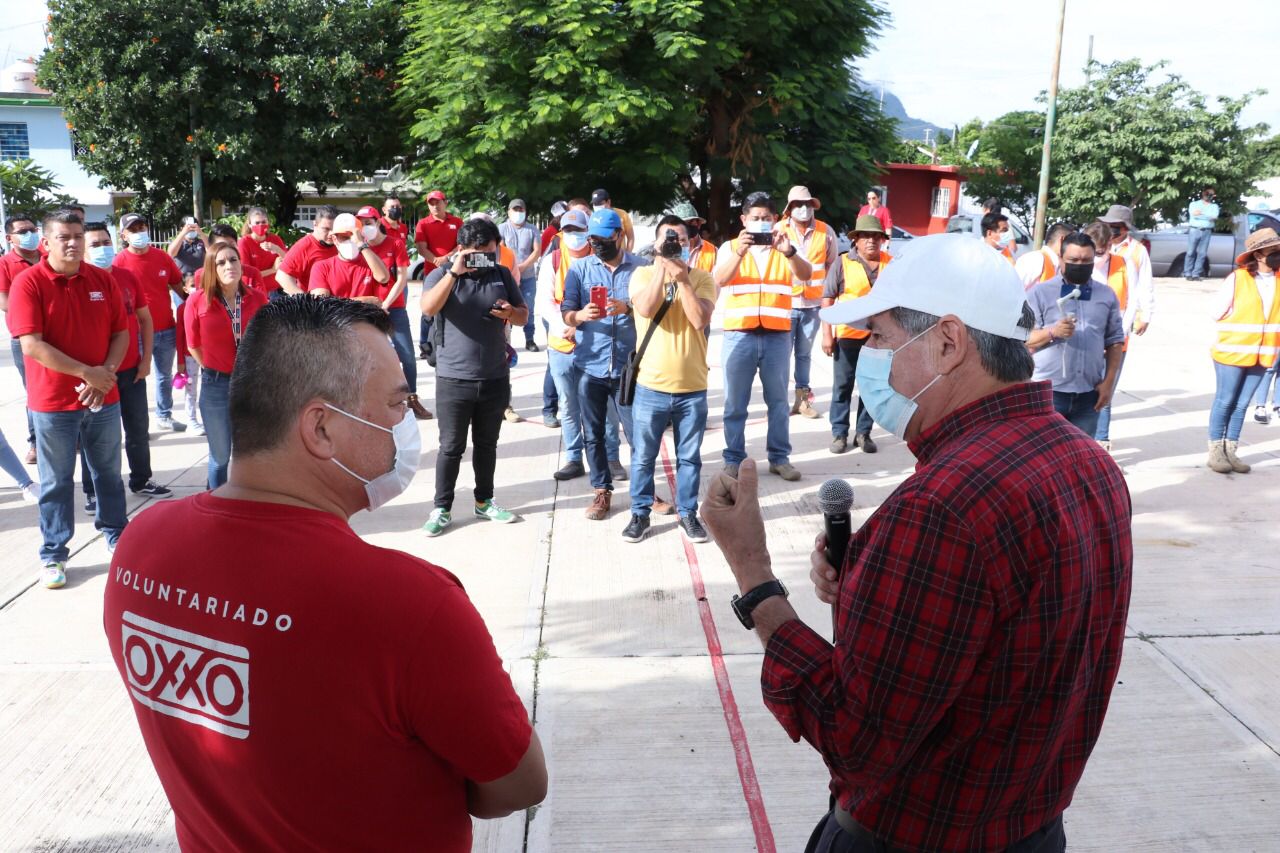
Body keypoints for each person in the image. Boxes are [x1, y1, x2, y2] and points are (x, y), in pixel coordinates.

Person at [701, 232, 1132, 853]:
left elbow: (855, 739)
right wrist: (871, 585)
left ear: (949, 342)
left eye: (880, 337)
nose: (871, 357)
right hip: (1032, 827)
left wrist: (754, 575)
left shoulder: (944, 504)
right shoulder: (1089, 463)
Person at [103, 296, 546, 850]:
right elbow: (517, 783)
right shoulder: (410, 604)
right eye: (395, 403)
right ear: (321, 428)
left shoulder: (140, 547)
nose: (405, 422)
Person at [7, 210, 130, 589]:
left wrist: (105, 374)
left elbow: (121, 334)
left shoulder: (101, 280)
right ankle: (54, 554)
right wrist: (86, 373)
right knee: (57, 480)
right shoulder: (28, 284)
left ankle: (118, 537)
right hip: (54, 405)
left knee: (108, 473)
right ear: (46, 243)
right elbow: (32, 345)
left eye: (78, 235)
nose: (74, 242)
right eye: (64, 237)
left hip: (103, 398)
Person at [419, 218, 527, 536]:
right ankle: (442, 508)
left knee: (487, 444)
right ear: (463, 249)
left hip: (494, 375)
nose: (486, 260)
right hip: (454, 377)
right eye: (478, 254)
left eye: (491, 253)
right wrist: (455, 272)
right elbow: (427, 307)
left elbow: (523, 315)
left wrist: (510, 313)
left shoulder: (502, 274)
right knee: (451, 446)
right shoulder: (442, 274)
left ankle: (484, 502)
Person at [621, 216, 717, 544]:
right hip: (651, 385)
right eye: (667, 240)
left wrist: (684, 281)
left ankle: (688, 514)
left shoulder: (703, 278)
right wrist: (662, 268)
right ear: (656, 244)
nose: (674, 246)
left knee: (689, 457)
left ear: (691, 245)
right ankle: (639, 513)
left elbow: (699, 318)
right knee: (643, 455)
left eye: (680, 240)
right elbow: (646, 309)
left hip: (692, 387)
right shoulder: (643, 274)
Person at [713, 191, 812, 482]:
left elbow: (805, 275)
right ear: (744, 220)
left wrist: (789, 252)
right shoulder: (730, 247)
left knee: (779, 403)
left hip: (776, 337)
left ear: (775, 220)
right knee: (735, 404)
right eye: (754, 218)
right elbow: (719, 279)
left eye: (766, 218)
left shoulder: (786, 247)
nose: (760, 223)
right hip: (738, 336)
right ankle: (733, 458)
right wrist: (739, 252)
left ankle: (779, 458)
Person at [560, 208, 646, 519]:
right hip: (590, 365)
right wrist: (579, 316)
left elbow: (655, 311)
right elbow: (567, 310)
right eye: (592, 239)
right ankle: (601, 491)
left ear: (619, 236)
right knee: (593, 433)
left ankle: (644, 492)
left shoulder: (641, 268)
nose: (597, 245)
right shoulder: (580, 269)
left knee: (639, 433)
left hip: (628, 366)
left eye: (603, 239)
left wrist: (629, 307)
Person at [81, 222, 172, 504]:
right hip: (95, 376)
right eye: (94, 245)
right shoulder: (79, 281)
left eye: (105, 243)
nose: (102, 249)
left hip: (131, 371)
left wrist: (145, 361)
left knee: (137, 430)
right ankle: (93, 491)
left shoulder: (127, 277)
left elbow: (145, 319)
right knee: (95, 437)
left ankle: (141, 479)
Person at [184, 243, 269, 488]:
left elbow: (266, 339)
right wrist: (213, 368)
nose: (229, 266)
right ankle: (215, 504)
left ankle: (248, 504)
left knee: (251, 454)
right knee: (220, 456)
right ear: (211, 268)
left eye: (233, 260)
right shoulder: (198, 301)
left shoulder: (257, 299)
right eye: (221, 262)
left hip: (250, 385)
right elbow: (193, 344)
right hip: (216, 385)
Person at [1025, 231, 1125, 436]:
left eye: (1086, 260)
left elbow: (1115, 341)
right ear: (1061, 259)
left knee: (1080, 460)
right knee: (1046, 457)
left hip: (1089, 394)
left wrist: (1109, 383)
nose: (1080, 264)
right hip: (1049, 393)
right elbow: (1023, 337)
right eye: (1073, 260)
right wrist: (1053, 331)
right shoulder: (1040, 293)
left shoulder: (1106, 295)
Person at [1206, 228, 1280, 474]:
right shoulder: (1238, 278)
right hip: (1232, 352)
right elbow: (1216, 311)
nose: (1277, 256)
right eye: (1273, 252)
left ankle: (1231, 450)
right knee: (1225, 401)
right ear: (1258, 255)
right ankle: (1216, 451)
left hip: (1263, 353)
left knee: (1241, 405)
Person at [353, 205, 431, 420]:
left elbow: (401, 278)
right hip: (367, 308)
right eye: (362, 224)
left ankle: (412, 398)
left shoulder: (395, 243)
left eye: (369, 223)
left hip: (393, 307)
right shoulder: (357, 247)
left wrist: (386, 303)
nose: (365, 227)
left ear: (379, 223)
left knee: (407, 355)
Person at [821, 215, 889, 454]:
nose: (872, 240)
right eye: (866, 236)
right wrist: (826, 335)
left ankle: (864, 433)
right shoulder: (842, 263)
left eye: (876, 236)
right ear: (856, 240)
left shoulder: (891, 264)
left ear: (882, 240)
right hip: (848, 336)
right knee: (842, 386)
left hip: (881, 339)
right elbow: (827, 300)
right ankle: (839, 434)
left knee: (871, 387)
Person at [114, 212, 188, 431]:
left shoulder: (162, 257)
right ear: (124, 236)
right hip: (135, 332)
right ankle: (136, 425)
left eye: (142, 228)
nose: (139, 233)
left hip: (165, 328)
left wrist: (195, 301)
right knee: (135, 378)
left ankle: (164, 415)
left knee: (164, 376)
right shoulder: (120, 262)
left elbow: (178, 285)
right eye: (133, 230)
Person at [1081, 222, 1141, 450]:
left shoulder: (1124, 264)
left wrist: (1118, 335)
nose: (1095, 258)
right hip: (1085, 340)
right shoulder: (1079, 263)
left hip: (1115, 341)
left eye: (1099, 252)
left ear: (1109, 245)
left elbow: (1133, 300)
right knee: (1081, 391)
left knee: (1105, 391)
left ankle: (1101, 443)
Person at [780, 186, 835, 420]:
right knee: (781, 355)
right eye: (798, 205)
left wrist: (829, 300)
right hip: (785, 304)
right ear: (789, 209)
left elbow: (832, 267)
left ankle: (802, 401)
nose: (804, 209)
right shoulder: (778, 231)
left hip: (813, 305)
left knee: (803, 355)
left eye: (808, 204)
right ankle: (779, 402)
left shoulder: (826, 231)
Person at [1, 213, 43, 464]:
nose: (30, 234)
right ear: (9, 238)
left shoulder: (49, 257)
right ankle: (36, 442)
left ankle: (76, 437)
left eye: (32, 229)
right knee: (35, 392)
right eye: (22, 231)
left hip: (58, 334)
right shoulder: (5, 264)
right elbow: (4, 302)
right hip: (25, 338)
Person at [414, 190, 463, 359]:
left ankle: (448, 343)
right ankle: (424, 345)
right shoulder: (423, 223)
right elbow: (421, 247)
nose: (435, 206)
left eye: (438, 202)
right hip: (431, 274)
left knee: (453, 308)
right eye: (431, 203)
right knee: (427, 311)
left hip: (454, 272)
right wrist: (436, 260)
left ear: (445, 203)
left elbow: (461, 245)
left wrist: (446, 257)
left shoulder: (457, 222)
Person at [1098, 204, 1155, 340]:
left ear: (1125, 228)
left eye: (1115, 226)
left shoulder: (1137, 250)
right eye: (1108, 224)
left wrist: (1145, 315)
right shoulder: (1097, 245)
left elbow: (1145, 284)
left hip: (1122, 314)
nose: (1110, 229)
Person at [306, 212, 391, 300]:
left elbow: (383, 278)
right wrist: (364, 301)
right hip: (338, 314)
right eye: (344, 237)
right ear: (335, 239)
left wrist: (361, 244)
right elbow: (321, 304)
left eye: (354, 236)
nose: (351, 241)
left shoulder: (371, 263)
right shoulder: (322, 267)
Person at [499, 198, 544, 352]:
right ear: (509, 212)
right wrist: (512, 269)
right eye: (515, 210)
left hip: (528, 276)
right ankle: (506, 338)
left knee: (529, 308)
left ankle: (529, 339)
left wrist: (523, 266)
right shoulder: (502, 228)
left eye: (521, 210)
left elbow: (537, 251)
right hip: (508, 276)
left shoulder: (532, 229)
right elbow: (501, 250)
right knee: (507, 307)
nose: (518, 213)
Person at [276, 205, 338, 295]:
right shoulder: (303, 247)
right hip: (316, 304)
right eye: (326, 229)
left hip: (339, 303)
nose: (331, 234)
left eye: (334, 229)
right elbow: (282, 276)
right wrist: (305, 300)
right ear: (315, 225)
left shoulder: (341, 241)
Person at [236, 206, 288, 297]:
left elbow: (290, 261)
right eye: (257, 223)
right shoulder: (244, 242)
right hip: (255, 291)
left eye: (263, 222)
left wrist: (277, 249)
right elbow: (247, 273)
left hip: (276, 290)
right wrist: (273, 270)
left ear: (268, 223)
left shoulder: (275, 239)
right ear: (249, 224)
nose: (260, 225)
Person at [1014, 221, 1073, 289]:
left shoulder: (1060, 265)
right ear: (1062, 240)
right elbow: (1013, 291)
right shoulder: (1034, 259)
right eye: (1073, 242)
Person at [670, 201, 717, 272]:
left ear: (699, 224)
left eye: (690, 222)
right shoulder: (668, 250)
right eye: (681, 224)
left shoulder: (713, 251)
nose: (685, 228)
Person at [1185, 187, 1219, 281]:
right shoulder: (1194, 204)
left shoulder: (1214, 206)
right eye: (1207, 194)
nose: (1208, 196)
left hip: (1207, 231)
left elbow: (1214, 217)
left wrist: (1201, 214)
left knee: (1202, 253)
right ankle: (1187, 273)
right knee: (1190, 252)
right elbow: (1193, 215)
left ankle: (1196, 274)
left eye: (1211, 195)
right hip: (1194, 230)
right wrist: (1208, 216)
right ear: (1203, 194)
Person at [166, 217, 208, 289]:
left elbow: (212, 251)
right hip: (181, 284)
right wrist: (183, 233)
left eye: (193, 227)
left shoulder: (202, 242)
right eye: (189, 227)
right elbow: (171, 253)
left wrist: (200, 232)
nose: (191, 229)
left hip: (200, 283)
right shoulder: (179, 243)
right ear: (182, 228)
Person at [590, 188, 636, 252]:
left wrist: (627, 254)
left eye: (600, 203)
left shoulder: (622, 214)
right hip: (602, 256)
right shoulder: (593, 217)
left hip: (620, 256)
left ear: (608, 202)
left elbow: (631, 237)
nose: (597, 206)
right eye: (595, 204)